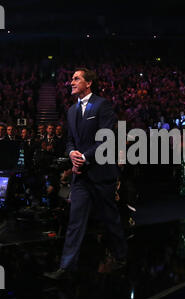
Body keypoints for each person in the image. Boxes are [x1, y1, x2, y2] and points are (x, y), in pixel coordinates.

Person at [44, 68, 127, 280]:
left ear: (88, 83)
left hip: (101, 174)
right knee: (75, 221)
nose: (71, 82)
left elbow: (106, 138)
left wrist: (84, 157)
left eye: (76, 78)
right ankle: (66, 266)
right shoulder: (71, 111)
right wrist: (72, 152)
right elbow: (70, 140)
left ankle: (120, 257)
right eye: (71, 79)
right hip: (81, 177)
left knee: (110, 219)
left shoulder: (102, 105)